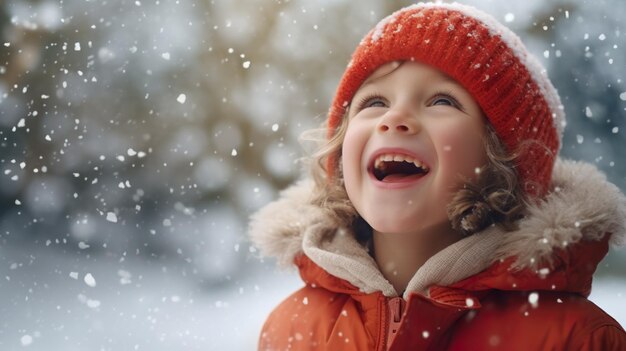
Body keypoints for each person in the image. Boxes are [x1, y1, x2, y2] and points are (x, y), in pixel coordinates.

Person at [249, 2, 626, 350]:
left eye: (442, 101)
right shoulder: (291, 329)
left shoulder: (575, 338)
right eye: (375, 102)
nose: (393, 119)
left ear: (506, 158)